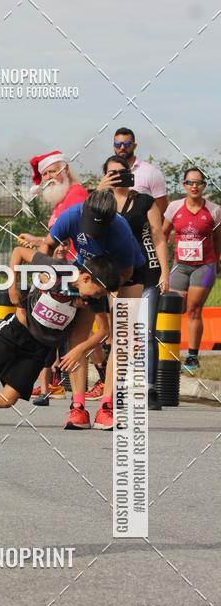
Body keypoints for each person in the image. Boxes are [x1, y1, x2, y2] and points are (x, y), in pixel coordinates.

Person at [0, 250, 119, 423]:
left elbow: (104, 330)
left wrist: (79, 350)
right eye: (98, 293)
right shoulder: (57, 268)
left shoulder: (91, 298)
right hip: (15, 332)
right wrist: (12, 287)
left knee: (7, 400)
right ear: (86, 278)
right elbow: (19, 252)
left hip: (39, 349)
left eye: (101, 295)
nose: (98, 297)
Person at [40, 188, 145, 429]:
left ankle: (107, 406)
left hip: (124, 277)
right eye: (88, 227)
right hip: (87, 272)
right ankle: (78, 408)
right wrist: (46, 276)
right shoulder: (70, 216)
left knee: (121, 337)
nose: (90, 233)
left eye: (97, 230)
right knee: (78, 334)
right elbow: (46, 246)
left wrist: (104, 297)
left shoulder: (120, 231)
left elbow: (126, 273)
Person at [96, 155, 170, 412]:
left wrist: (165, 272)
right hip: (115, 277)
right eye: (112, 173)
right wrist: (100, 190)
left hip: (146, 273)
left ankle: (148, 388)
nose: (117, 176)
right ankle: (117, 388)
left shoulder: (144, 201)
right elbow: (89, 227)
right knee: (120, 334)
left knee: (145, 331)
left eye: (122, 171)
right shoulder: (101, 201)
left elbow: (158, 237)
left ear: (130, 173)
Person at [18, 150, 89, 402]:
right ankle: (49, 385)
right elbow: (58, 239)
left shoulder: (76, 194)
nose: (48, 177)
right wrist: (37, 241)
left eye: (52, 171)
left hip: (75, 273)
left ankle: (77, 394)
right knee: (57, 330)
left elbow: (77, 235)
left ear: (65, 170)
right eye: (45, 174)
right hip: (60, 272)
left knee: (72, 334)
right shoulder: (62, 200)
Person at [163, 167, 221, 371]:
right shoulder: (174, 207)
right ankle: (168, 352)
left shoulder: (214, 210)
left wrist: (217, 262)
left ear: (204, 185)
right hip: (180, 266)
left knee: (194, 310)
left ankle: (192, 358)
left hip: (205, 267)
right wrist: (163, 261)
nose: (194, 186)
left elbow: (217, 239)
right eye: (190, 182)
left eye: (198, 183)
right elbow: (162, 234)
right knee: (175, 308)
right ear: (184, 185)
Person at [112, 127, 168, 215]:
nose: (122, 147)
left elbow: (162, 208)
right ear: (114, 146)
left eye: (127, 144)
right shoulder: (109, 172)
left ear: (134, 146)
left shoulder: (151, 172)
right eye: (118, 144)